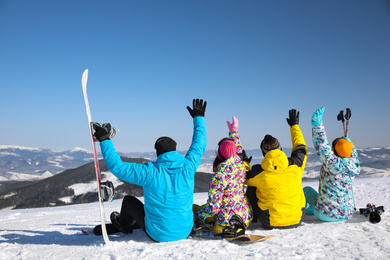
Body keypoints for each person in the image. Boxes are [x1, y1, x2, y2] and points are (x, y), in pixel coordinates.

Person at [92, 99, 207, 242]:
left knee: (128, 200)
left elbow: (118, 167)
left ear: (157, 153)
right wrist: (199, 118)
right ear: (175, 149)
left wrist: (104, 139)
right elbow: (199, 144)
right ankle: (134, 222)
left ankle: (124, 226)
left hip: (158, 234)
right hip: (185, 230)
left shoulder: (150, 171)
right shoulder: (188, 166)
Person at [245, 109, 307, 229]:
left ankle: (253, 217)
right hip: (297, 218)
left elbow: (242, 177)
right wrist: (294, 126)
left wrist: (245, 163)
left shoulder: (258, 172)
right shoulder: (295, 165)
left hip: (269, 221)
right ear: (280, 149)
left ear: (264, 153)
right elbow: (300, 147)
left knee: (252, 186)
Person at [193, 116, 253, 233]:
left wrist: (195, 216)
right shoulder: (241, 165)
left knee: (194, 208)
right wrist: (234, 132)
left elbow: (213, 208)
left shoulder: (219, 176)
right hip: (244, 217)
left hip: (226, 223)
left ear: (219, 154)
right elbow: (238, 151)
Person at [303, 106, 360, 222]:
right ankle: (314, 209)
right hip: (347, 214)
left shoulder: (332, 162)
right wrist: (347, 143)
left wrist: (317, 124)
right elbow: (350, 150)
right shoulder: (354, 163)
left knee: (307, 189)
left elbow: (322, 145)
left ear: (334, 150)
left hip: (326, 214)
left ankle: (308, 211)